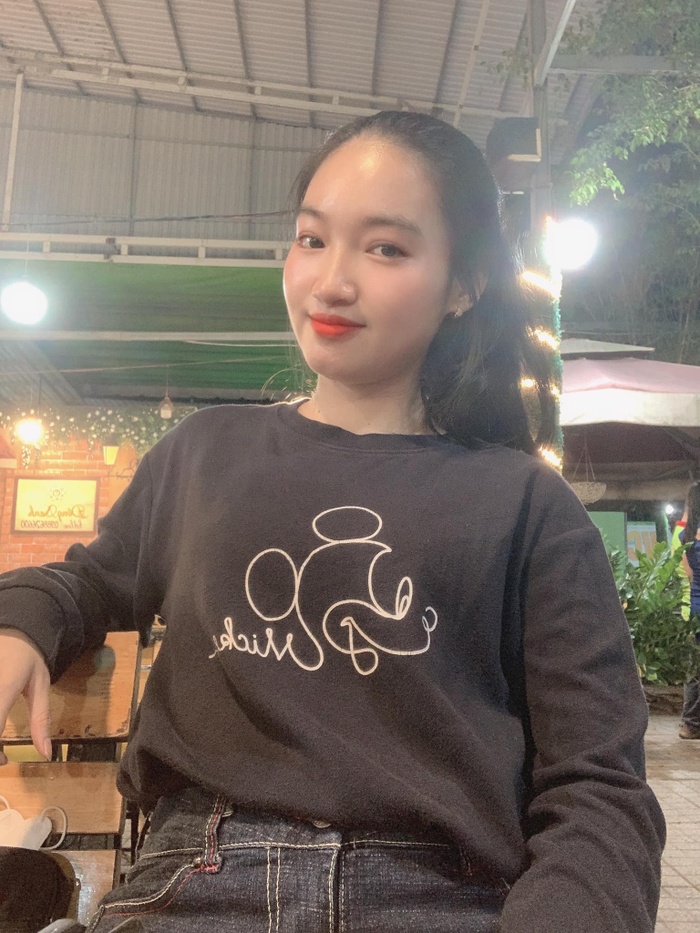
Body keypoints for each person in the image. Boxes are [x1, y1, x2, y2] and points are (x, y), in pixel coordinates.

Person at [0, 111, 664, 932]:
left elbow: (600, 787)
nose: (331, 281)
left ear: (463, 285)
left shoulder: (528, 506)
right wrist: (21, 623)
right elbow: (88, 580)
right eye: (312, 239)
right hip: (195, 885)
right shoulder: (204, 454)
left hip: (440, 895)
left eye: (385, 248)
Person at [678, 483, 700, 739]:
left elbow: (690, 574)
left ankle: (690, 724)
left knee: (694, 668)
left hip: (695, 609)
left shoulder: (685, 536)